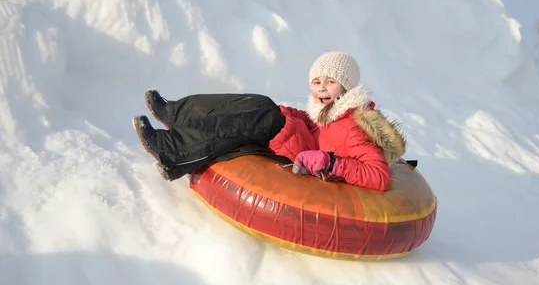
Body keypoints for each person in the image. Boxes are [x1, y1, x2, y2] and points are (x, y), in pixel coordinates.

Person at [133, 51, 406, 191]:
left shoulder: (354, 126)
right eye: (317, 82)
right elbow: (314, 126)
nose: (322, 88)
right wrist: (290, 112)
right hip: (302, 143)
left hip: (305, 162)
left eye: (331, 82)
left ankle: (171, 149)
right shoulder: (332, 112)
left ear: (346, 88)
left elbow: (379, 176)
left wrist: (331, 162)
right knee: (263, 103)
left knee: (268, 117)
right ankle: (177, 113)